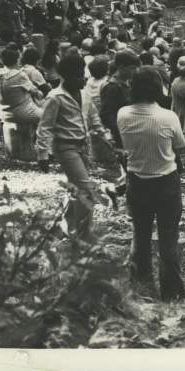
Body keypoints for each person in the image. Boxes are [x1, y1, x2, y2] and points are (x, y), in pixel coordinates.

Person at [116, 67, 185, 301]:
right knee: (168, 237)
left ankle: (140, 286)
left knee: (140, 233)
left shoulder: (123, 114)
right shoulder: (168, 117)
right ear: (158, 87)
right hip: (166, 180)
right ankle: (171, 290)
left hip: (137, 179)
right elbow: (181, 145)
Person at [36, 54, 113, 240]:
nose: (83, 79)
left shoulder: (85, 94)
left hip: (83, 146)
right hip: (65, 147)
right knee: (86, 190)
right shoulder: (55, 97)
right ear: (66, 77)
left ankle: (62, 226)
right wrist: (42, 154)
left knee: (76, 189)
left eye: (83, 74)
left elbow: (93, 117)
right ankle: (83, 233)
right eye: (78, 75)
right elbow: (44, 126)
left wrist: (105, 136)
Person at [0, 44, 46, 159]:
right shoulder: (20, 75)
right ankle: (46, 151)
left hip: (2, 111)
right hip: (21, 112)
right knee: (48, 117)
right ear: (17, 60)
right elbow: (36, 91)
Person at [100, 50, 140, 149]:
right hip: (122, 133)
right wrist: (120, 131)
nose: (135, 71)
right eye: (132, 68)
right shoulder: (112, 87)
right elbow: (106, 114)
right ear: (121, 67)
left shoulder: (127, 82)